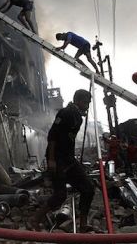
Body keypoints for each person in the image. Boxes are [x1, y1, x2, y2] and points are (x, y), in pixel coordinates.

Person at [32, 89, 95, 231]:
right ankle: (34, 219)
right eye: (86, 103)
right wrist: (52, 160)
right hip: (58, 159)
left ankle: (83, 225)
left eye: (89, 103)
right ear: (78, 101)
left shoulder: (78, 117)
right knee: (60, 195)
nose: (87, 106)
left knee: (88, 188)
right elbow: (52, 136)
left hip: (69, 159)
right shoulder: (65, 113)